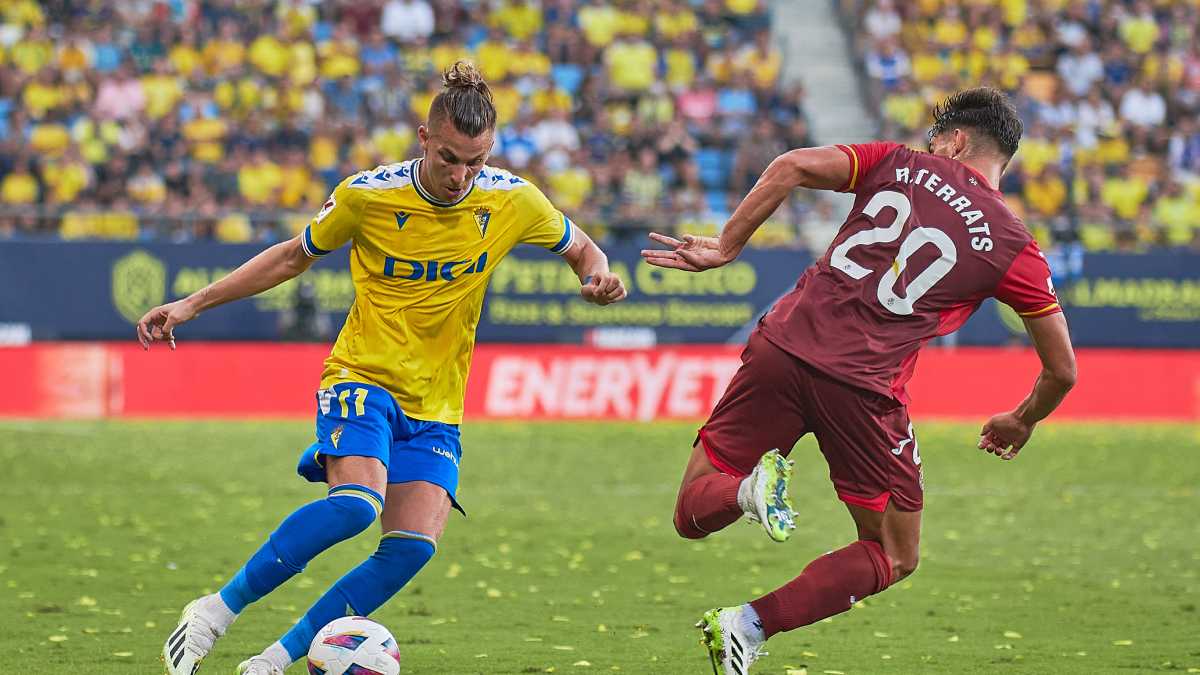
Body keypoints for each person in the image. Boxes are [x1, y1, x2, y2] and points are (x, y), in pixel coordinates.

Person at [144, 61, 628, 675]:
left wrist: (595, 279)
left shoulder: (513, 200)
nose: (460, 176)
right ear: (424, 139)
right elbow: (292, 257)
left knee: (410, 548)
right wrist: (191, 303)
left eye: (475, 161)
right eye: (449, 157)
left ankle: (272, 662)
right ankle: (214, 612)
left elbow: (583, 248)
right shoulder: (367, 195)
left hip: (438, 405)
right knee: (355, 506)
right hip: (362, 375)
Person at [641, 87, 1076, 674]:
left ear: (955, 139)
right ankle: (747, 625)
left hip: (782, 347)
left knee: (692, 510)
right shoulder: (1012, 245)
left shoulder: (896, 161)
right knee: (894, 551)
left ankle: (746, 494)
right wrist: (1021, 419)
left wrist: (727, 246)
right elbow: (1062, 370)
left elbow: (791, 164)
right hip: (864, 388)